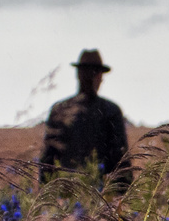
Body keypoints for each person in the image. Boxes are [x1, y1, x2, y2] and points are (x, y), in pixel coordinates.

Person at [40, 49, 131, 187]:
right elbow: (121, 162)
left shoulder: (60, 109)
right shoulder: (110, 110)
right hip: (100, 196)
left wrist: (45, 196)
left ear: (78, 74)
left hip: (66, 195)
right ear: (98, 76)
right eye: (98, 74)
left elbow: (47, 162)